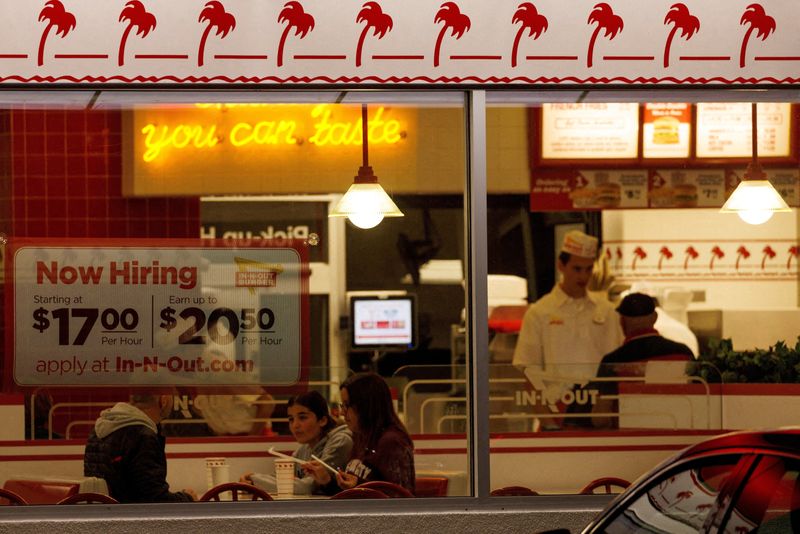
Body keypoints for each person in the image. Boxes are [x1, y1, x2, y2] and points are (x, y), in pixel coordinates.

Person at [512, 230, 623, 428]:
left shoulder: (608, 312)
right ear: (561, 265)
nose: (583, 276)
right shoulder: (540, 312)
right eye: (577, 269)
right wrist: (550, 423)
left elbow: (619, 370)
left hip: (601, 412)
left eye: (589, 269)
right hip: (557, 409)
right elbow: (530, 375)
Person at [591, 293, 695, 428]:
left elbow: (601, 418)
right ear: (654, 318)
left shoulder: (613, 362)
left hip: (633, 439)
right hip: (679, 433)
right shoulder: (683, 353)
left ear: (622, 322)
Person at [304, 373, 415, 494]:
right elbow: (351, 493)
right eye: (342, 405)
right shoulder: (359, 437)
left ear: (366, 405)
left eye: (346, 405)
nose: (342, 412)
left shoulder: (392, 442)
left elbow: (402, 498)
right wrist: (326, 480)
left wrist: (358, 485)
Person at [83, 392, 197, 503]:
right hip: (129, 518)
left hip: (105, 516)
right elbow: (156, 500)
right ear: (164, 400)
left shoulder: (99, 429)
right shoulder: (143, 436)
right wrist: (187, 498)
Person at [241, 391, 353, 495]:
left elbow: (307, 487)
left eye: (302, 417)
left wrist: (255, 481)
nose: (295, 425)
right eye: (291, 419)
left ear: (322, 420)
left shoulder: (340, 441)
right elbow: (280, 478)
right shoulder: (304, 449)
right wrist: (249, 481)